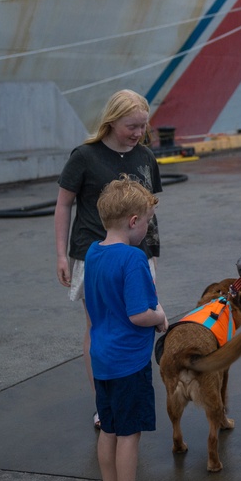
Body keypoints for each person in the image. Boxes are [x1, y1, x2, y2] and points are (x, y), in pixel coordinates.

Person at [55, 89, 163, 430]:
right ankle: (104, 402)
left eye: (142, 127)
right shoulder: (85, 156)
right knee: (99, 326)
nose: (137, 134)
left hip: (137, 255)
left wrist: (152, 254)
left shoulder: (145, 156)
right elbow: (63, 205)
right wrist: (61, 254)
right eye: (131, 126)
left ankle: (127, 390)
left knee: (134, 321)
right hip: (94, 253)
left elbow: (150, 210)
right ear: (111, 121)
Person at [85, 177, 167, 481]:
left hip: (102, 360)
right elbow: (138, 314)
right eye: (147, 221)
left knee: (108, 429)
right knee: (129, 435)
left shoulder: (93, 253)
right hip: (129, 364)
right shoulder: (133, 258)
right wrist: (159, 318)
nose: (147, 228)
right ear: (134, 221)